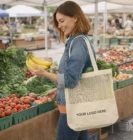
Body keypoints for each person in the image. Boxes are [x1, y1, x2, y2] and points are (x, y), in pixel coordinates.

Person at [31, 1, 96, 140]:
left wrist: (45, 73)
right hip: (79, 105)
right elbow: (77, 76)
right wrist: (58, 89)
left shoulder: (78, 42)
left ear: (75, 17)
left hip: (72, 109)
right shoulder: (76, 40)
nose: (59, 26)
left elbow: (70, 80)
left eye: (61, 21)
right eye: (58, 22)